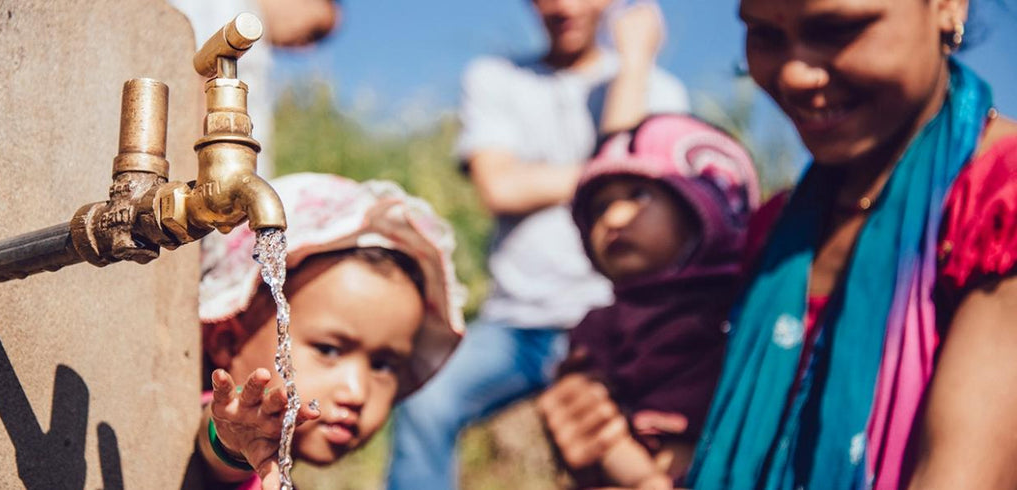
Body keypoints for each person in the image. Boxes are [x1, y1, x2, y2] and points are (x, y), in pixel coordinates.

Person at [687, 0, 1017, 488]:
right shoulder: (777, 233)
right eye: (765, 35)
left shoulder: (997, 201)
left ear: (948, 7)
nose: (796, 74)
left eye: (838, 29)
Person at [386, 1, 690, 488]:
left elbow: (650, 197)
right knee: (425, 399)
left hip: (616, 321)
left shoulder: (657, 88)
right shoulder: (496, 77)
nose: (563, 5)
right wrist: (605, 175)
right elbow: (500, 189)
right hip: (516, 323)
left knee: (618, 453)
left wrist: (633, 64)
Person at [193, 173, 467, 489]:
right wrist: (233, 445)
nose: (357, 392)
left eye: (384, 365)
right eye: (328, 350)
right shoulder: (235, 435)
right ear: (228, 342)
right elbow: (218, 439)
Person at [538, 113, 760, 489]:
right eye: (599, 208)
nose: (614, 218)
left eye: (639, 195)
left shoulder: (751, 306)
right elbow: (596, 425)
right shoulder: (603, 324)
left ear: (704, 207)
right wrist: (643, 478)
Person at [168, 0, 340, 177]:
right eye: (316, 33)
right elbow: (199, 76)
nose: (309, 49)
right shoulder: (228, 9)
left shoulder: (255, 34)